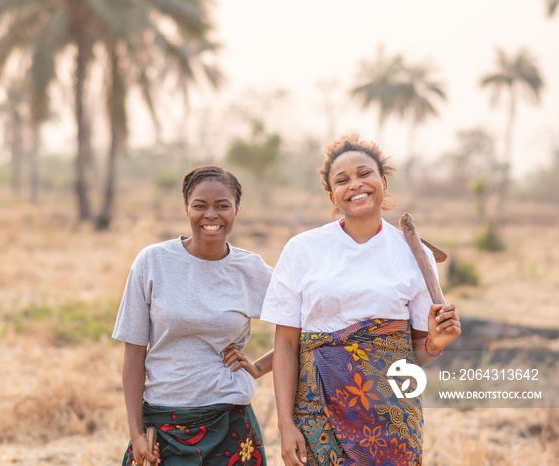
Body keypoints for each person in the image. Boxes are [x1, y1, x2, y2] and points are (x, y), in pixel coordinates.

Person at [261, 135, 461, 466]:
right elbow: (285, 346)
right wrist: (285, 425)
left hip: (392, 417)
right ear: (332, 195)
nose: (355, 185)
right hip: (316, 410)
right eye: (343, 180)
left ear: (382, 181)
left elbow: (411, 356)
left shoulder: (415, 253)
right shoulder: (303, 249)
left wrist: (435, 344)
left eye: (364, 174)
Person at [113, 165, 274, 466]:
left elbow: (306, 325)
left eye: (222, 206)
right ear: (186, 208)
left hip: (231, 423)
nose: (211, 215)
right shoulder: (153, 262)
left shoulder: (250, 270)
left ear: (236, 209)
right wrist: (135, 433)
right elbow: (133, 353)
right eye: (200, 205)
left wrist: (259, 367)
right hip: (162, 425)